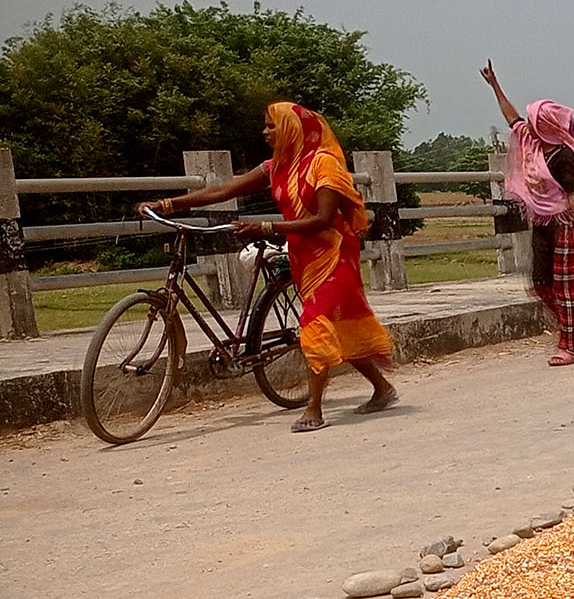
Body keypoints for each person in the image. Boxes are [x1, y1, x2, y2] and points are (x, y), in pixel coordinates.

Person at [143, 103, 397, 432]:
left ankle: (314, 407)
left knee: (315, 322)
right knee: (336, 324)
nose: (265, 132)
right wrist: (166, 205)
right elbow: (223, 190)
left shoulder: (324, 164)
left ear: (292, 129)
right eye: (265, 126)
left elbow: (322, 219)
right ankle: (381, 388)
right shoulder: (275, 167)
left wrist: (266, 227)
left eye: (272, 126)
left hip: (334, 254)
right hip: (302, 253)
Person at [482, 63, 574, 365]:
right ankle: (572, 327)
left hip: (564, 223)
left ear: (545, 126)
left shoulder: (564, 156)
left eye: (534, 120)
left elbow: (572, 196)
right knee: (542, 284)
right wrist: (495, 85)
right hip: (542, 223)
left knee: (566, 286)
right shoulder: (530, 143)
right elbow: (511, 118)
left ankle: (568, 345)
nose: (529, 124)